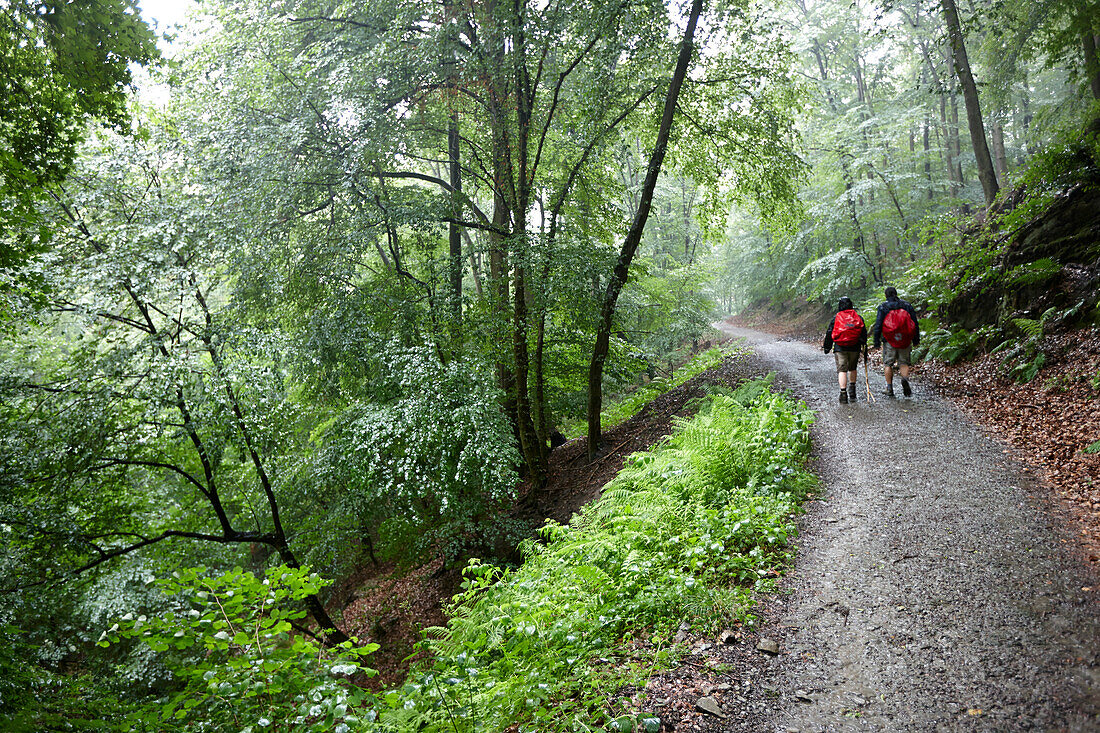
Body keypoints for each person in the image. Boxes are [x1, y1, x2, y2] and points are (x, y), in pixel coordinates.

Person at [871, 286, 920, 398]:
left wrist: (876, 341)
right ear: (896, 293)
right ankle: (904, 379)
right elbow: (914, 323)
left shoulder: (883, 307)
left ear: (886, 295)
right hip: (905, 339)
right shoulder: (906, 305)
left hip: (889, 340)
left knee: (888, 364)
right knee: (904, 362)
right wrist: (916, 339)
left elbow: (878, 325)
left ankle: (889, 388)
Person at [823, 296, 868, 404]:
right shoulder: (858, 317)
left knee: (842, 370)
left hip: (840, 347)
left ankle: (843, 394)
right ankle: (852, 391)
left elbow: (829, 333)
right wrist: (863, 342)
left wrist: (827, 347)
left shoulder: (836, 318)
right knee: (852, 368)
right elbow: (863, 332)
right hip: (855, 347)